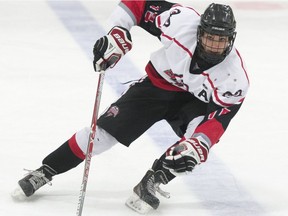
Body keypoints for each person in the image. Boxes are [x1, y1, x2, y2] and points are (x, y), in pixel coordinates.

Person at [13, 0, 249, 214]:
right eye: (210, 37)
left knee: (191, 150)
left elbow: (219, 119)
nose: (214, 46)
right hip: (158, 86)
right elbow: (137, 4)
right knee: (101, 136)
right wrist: (117, 32)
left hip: (194, 103)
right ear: (199, 32)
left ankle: (153, 179)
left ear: (232, 39)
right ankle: (46, 170)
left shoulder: (234, 77)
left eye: (221, 40)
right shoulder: (180, 22)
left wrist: (200, 144)